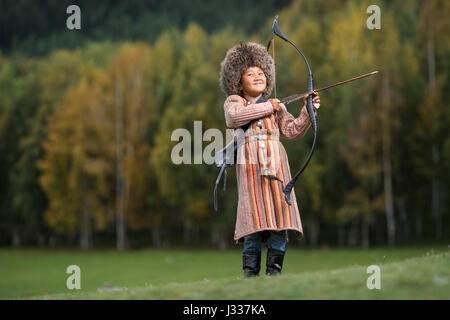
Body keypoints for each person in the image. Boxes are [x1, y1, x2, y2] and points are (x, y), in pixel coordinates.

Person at [219, 42, 320, 277]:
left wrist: (308, 110)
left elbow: (293, 130)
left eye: (261, 73)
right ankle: (250, 277)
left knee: (279, 222)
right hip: (251, 168)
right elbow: (234, 118)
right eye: (250, 73)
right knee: (253, 222)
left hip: (277, 167)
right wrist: (269, 107)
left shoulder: (276, 107)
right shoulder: (235, 102)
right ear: (238, 81)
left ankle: (274, 277)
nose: (258, 76)